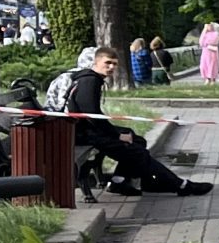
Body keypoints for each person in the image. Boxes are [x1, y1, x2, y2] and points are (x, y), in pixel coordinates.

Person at [65, 48, 209, 197]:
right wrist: (116, 135)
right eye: (107, 63)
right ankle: (180, 185)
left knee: (136, 139)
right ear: (95, 62)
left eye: (114, 64)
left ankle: (119, 181)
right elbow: (91, 115)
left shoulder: (92, 79)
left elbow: (93, 116)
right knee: (137, 152)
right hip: (84, 134)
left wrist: (117, 133)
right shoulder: (90, 80)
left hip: (89, 130)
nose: (111, 67)